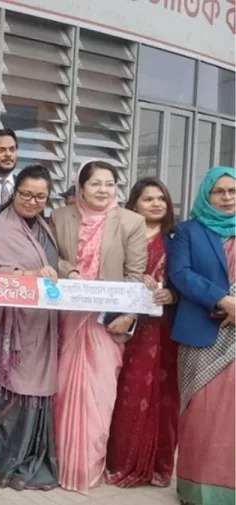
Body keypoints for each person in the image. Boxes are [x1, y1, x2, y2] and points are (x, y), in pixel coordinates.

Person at [51, 160, 148, 494]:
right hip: (67, 317)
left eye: (109, 184)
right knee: (64, 390)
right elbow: (49, 258)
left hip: (107, 321)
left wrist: (130, 315)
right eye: (95, 184)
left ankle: (88, 467)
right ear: (80, 188)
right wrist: (68, 271)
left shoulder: (131, 222)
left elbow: (135, 274)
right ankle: (61, 463)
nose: (103, 190)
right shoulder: (59, 217)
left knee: (101, 395)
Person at [0, 165, 62, 490]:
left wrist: (69, 271)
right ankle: (0, 460)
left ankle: (31, 457)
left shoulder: (45, 227)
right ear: (13, 192)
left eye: (40, 196)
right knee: (3, 393)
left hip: (40, 326)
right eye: (26, 194)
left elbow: (52, 263)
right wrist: (26, 275)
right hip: (4, 332)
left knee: (34, 393)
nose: (32, 201)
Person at [168, 166, 235, 505]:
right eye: (218, 191)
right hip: (203, 332)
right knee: (201, 412)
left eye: (232, 191)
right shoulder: (188, 231)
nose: (227, 198)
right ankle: (197, 490)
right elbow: (180, 273)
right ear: (206, 195)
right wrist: (223, 300)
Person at [105, 177, 179, 489]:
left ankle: (157, 466)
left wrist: (172, 294)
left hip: (164, 329)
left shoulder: (177, 238)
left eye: (161, 198)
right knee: (127, 391)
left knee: (165, 396)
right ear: (134, 204)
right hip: (127, 324)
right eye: (148, 199)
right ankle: (123, 462)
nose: (156, 204)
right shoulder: (121, 233)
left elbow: (187, 276)